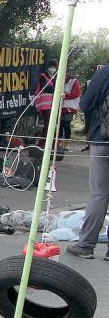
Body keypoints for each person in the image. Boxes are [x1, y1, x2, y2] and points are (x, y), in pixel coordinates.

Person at [67, 65, 109, 260]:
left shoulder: (104, 72)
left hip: (102, 140)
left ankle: (85, 245)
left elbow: (84, 104)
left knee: (99, 194)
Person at [34, 59, 59, 148]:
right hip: (44, 104)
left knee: (51, 124)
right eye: (51, 67)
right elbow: (45, 88)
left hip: (51, 104)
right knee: (48, 124)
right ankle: (43, 143)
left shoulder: (54, 77)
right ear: (48, 67)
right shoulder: (43, 76)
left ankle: (50, 143)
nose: (53, 69)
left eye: (54, 67)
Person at [60, 72, 82, 149]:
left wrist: (65, 96)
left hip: (70, 107)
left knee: (66, 124)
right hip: (60, 106)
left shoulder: (74, 81)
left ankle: (66, 143)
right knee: (60, 125)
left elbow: (76, 94)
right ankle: (58, 142)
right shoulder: (60, 80)